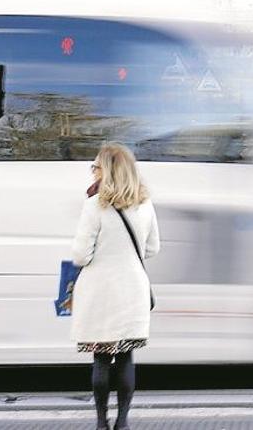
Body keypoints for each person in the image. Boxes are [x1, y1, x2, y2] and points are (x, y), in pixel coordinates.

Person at [71, 143, 160, 430]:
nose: (92, 171)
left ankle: (101, 423)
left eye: (95, 167)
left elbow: (81, 255)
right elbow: (152, 248)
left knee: (101, 357)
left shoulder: (94, 205)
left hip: (99, 290)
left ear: (106, 170)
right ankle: (122, 423)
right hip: (132, 288)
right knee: (125, 357)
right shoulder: (145, 204)